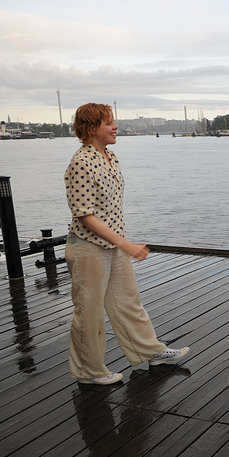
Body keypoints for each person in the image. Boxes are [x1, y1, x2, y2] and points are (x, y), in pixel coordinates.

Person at [64, 103, 190, 385]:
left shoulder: (111, 156)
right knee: (89, 312)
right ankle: (89, 371)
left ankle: (151, 352)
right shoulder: (80, 163)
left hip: (113, 245)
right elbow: (84, 215)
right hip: (88, 248)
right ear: (90, 128)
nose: (115, 126)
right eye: (108, 122)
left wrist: (121, 243)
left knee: (128, 303)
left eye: (113, 121)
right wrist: (126, 243)